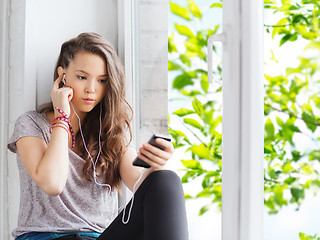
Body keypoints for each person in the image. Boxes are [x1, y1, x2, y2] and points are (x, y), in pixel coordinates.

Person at [7, 32, 188, 240]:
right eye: (82, 77)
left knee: (165, 180)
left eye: (102, 80)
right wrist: (62, 117)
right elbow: (52, 183)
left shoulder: (111, 133)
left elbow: (143, 184)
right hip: (45, 237)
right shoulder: (31, 124)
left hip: (99, 237)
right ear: (62, 75)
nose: (91, 89)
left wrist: (156, 163)